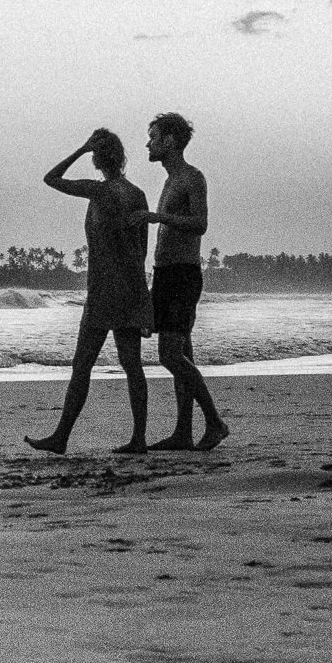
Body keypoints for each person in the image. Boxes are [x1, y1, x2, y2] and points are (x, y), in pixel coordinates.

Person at [24, 129, 153, 455]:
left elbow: (51, 178)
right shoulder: (137, 195)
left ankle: (62, 436)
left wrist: (80, 148)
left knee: (82, 365)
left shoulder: (98, 191)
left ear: (98, 158)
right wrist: (142, 294)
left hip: (104, 290)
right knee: (132, 364)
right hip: (131, 287)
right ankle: (138, 439)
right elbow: (143, 251)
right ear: (121, 157)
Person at [140, 113, 228, 451]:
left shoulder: (192, 177)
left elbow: (200, 224)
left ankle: (215, 422)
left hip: (182, 274)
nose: (148, 143)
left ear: (170, 141)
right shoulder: (169, 180)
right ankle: (183, 431)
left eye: (154, 137)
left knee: (169, 355)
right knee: (182, 352)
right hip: (165, 273)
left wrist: (157, 217)